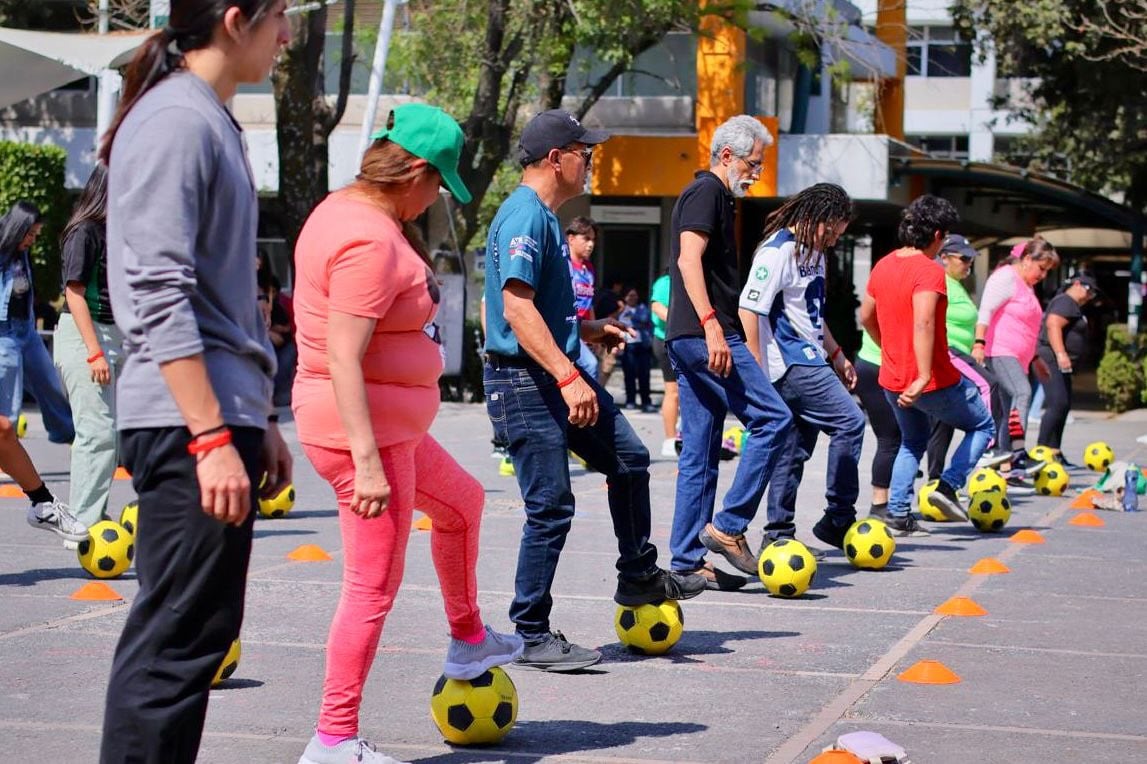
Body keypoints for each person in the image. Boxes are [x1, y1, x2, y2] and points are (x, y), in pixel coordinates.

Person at [292, 104, 523, 764]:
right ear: (413, 172)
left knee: (463, 505)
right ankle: (333, 739)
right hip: (363, 436)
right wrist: (366, 462)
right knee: (371, 588)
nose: (435, 202)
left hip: (390, 428)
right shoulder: (366, 239)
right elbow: (342, 354)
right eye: (437, 186)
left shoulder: (350, 213)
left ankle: (468, 637)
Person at [98, 3, 294, 762]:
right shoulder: (177, 120)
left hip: (217, 414)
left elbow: (224, 299)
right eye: (279, 17)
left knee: (198, 637)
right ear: (236, 19)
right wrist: (212, 433)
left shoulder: (208, 119)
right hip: (187, 423)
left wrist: (256, 416)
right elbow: (154, 289)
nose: (285, 37)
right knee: (174, 643)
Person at [484, 108, 705, 671]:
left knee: (630, 460)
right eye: (587, 153)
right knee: (551, 507)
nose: (592, 162)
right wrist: (565, 373)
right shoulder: (524, 217)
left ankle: (638, 576)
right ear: (556, 159)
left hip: (551, 369)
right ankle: (530, 631)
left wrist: (583, 329)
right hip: (526, 381)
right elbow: (514, 308)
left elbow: (533, 311)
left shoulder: (547, 218)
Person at [666, 114, 794, 587]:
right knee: (774, 419)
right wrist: (712, 328)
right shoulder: (708, 192)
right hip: (705, 336)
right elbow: (687, 259)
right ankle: (729, 527)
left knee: (699, 453)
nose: (756, 173)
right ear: (727, 155)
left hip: (692, 337)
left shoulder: (714, 197)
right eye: (753, 163)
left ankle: (686, 561)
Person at [737, 183, 864, 556]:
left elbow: (811, 315)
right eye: (831, 232)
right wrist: (756, 370)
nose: (834, 241)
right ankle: (838, 517)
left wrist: (837, 354)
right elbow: (750, 308)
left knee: (793, 450)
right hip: (790, 360)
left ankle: (778, 532)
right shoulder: (778, 251)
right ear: (815, 218)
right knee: (851, 421)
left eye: (840, 235)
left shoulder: (815, 252)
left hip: (810, 353)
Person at [858, 195, 995, 536]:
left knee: (911, 442)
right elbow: (924, 323)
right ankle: (948, 486)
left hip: (891, 378)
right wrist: (921, 375)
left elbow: (866, 316)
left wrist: (888, 349)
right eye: (945, 236)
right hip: (931, 380)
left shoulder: (885, 264)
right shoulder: (929, 271)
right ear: (936, 234)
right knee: (983, 426)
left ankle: (899, 514)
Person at [53, 164, 123, 537]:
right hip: (86, 336)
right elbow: (74, 292)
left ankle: (92, 511)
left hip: (114, 335)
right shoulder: (86, 231)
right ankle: (83, 524)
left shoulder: (120, 233)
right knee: (97, 435)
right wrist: (94, 352)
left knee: (114, 436)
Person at [923, 234, 1007, 483]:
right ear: (944, 257)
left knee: (943, 419)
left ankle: (936, 480)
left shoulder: (957, 285)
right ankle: (989, 447)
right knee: (989, 384)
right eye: (964, 258)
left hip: (958, 352)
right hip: (947, 350)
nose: (968, 264)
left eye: (971, 259)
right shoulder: (938, 280)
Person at [973, 237, 1059, 476]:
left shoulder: (1025, 285)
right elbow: (986, 309)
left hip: (1019, 357)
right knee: (1022, 393)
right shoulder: (1006, 277)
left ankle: (1006, 464)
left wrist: (1034, 359)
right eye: (1041, 269)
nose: (1043, 275)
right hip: (1000, 350)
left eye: (1047, 271)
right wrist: (979, 343)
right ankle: (1017, 454)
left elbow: (1026, 327)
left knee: (1007, 408)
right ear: (1028, 259)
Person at [0, 202, 74, 444]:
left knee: (50, 384)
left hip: (27, 331)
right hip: (5, 334)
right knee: (9, 403)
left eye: (35, 235)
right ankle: (6, 452)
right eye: (30, 234)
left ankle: (71, 435)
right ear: (17, 228)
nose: (32, 240)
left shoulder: (21, 253)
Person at [1035, 273, 1099, 460]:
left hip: (1060, 361)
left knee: (1063, 405)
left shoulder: (1072, 305)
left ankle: (1055, 451)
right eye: (1089, 290)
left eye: (1093, 294)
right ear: (1077, 284)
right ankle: (1042, 452)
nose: (1089, 296)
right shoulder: (1065, 301)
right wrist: (1061, 353)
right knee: (1057, 403)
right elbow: (1053, 324)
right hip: (1051, 357)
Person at [853, 330, 901, 518]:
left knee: (897, 437)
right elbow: (866, 317)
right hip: (879, 367)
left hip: (877, 366)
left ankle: (891, 501)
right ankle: (880, 504)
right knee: (890, 438)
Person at [649, 269, 679, 457]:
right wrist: (679, 321)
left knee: (687, 392)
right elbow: (657, 307)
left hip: (682, 340)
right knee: (673, 392)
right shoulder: (665, 282)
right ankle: (669, 440)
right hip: (665, 340)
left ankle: (681, 433)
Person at [565, 216, 600, 379]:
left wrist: (594, 333)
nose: (591, 244)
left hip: (582, 329)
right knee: (590, 365)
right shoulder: (563, 265)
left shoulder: (589, 269)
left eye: (593, 239)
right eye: (586, 238)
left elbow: (589, 304)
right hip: (565, 328)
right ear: (571, 238)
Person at [618, 287, 655, 411]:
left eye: (634, 295)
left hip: (643, 345)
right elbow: (622, 324)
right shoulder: (621, 310)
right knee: (629, 375)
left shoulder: (643, 308)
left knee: (644, 375)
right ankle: (630, 400)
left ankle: (646, 401)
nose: (632, 298)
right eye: (630, 296)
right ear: (625, 297)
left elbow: (647, 322)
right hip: (629, 345)